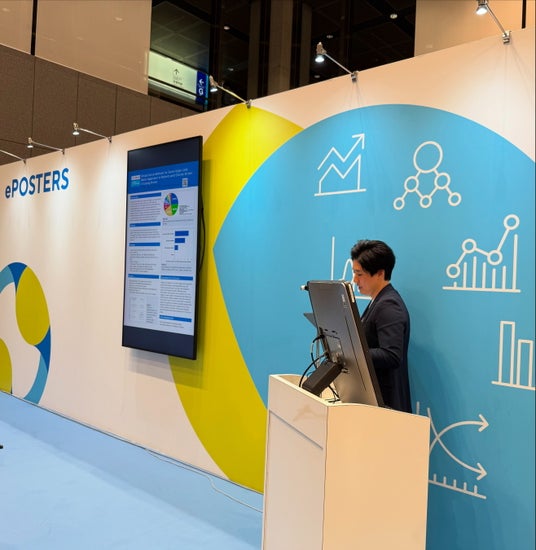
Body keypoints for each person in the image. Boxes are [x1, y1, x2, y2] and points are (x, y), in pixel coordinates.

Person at [350, 239, 412, 412]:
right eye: (354, 273)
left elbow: (391, 354)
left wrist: (352, 352)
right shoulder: (378, 301)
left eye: (359, 274)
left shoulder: (389, 305)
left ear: (379, 273)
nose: (355, 280)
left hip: (385, 406)